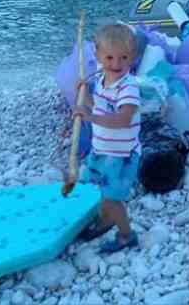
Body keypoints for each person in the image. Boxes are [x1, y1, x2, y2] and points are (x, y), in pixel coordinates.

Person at [71, 23, 142, 253]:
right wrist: (85, 95)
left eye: (123, 57)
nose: (116, 64)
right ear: (98, 56)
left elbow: (122, 120)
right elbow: (100, 106)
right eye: (109, 57)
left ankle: (126, 235)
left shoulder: (128, 87)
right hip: (102, 149)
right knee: (100, 189)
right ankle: (106, 221)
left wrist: (90, 117)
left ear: (132, 57)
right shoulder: (103, 79)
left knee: (112, 198)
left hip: (121, 155)